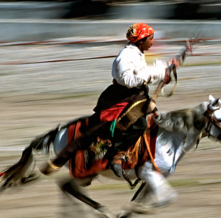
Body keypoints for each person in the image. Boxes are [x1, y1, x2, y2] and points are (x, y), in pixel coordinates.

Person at [42, 23, 178, 176]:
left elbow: (142, 75)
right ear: (141, 41)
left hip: (135, 97)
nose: (153, 42)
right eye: (150, 39)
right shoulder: (126, 56)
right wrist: (159, 72)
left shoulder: (138, 53)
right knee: (138, 125)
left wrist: (165, 70)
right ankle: (116, 155)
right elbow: (129, 81)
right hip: (121, 98)